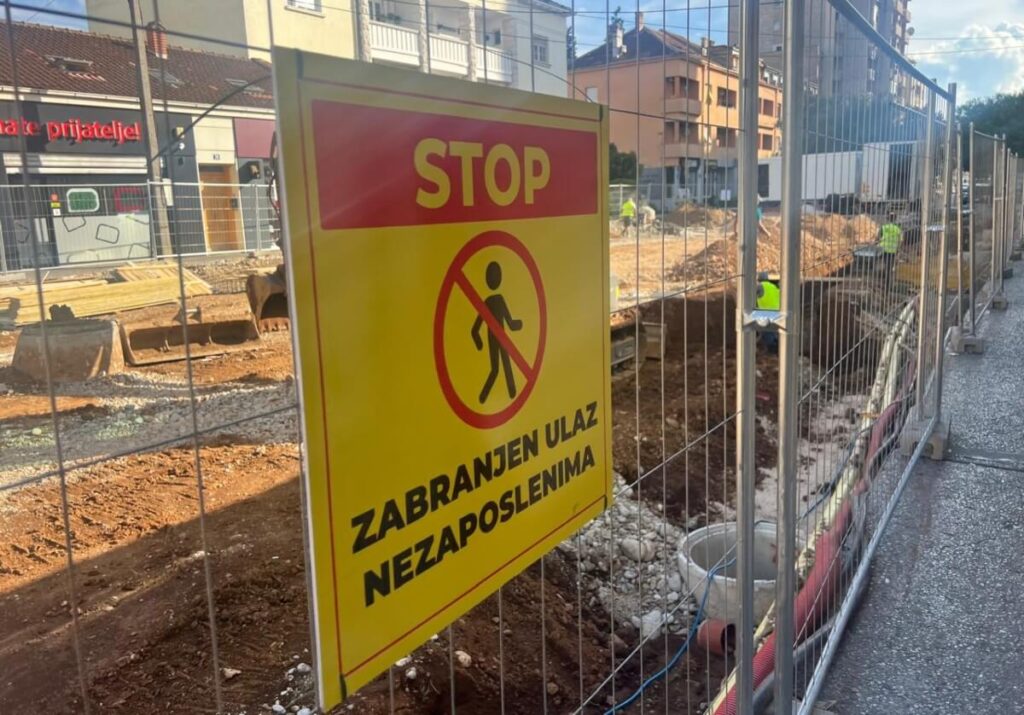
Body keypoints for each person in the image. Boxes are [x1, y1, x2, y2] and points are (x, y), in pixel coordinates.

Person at [472, 261, 522, 404]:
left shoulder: (491, 301)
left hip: (496, 338)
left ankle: (509, 393)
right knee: (500, 367)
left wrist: (518, 324)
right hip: (498, 339)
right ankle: (484, 397)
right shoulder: (494, 301)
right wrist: (478, 342)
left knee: (501, 366)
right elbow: (475, 329)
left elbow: (475, 329)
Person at [755, 271, 780, 354]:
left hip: (766, 314)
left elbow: (750, 295)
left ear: (759, 279)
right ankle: (777, 348)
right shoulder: (774, 286)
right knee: (773, 333)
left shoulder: (760, 286)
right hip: (777, 313)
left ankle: (772, 351)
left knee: (767, 333)